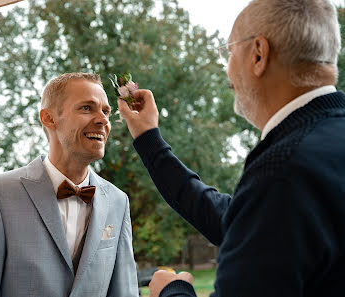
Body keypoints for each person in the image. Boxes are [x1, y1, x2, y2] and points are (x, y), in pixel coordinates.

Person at [117, 0, 345, 296]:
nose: (227, 70)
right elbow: (245, 223)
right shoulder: (317, 152)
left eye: (229, 51)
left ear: (259, 54)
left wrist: (172, 291)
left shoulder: (284, 170)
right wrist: (148, 138)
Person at [0, 73, 138, 297]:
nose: (103, 120)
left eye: (106, 111)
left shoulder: (118, 202)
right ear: (49, 118)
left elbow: (125, 292)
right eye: (86, 108)